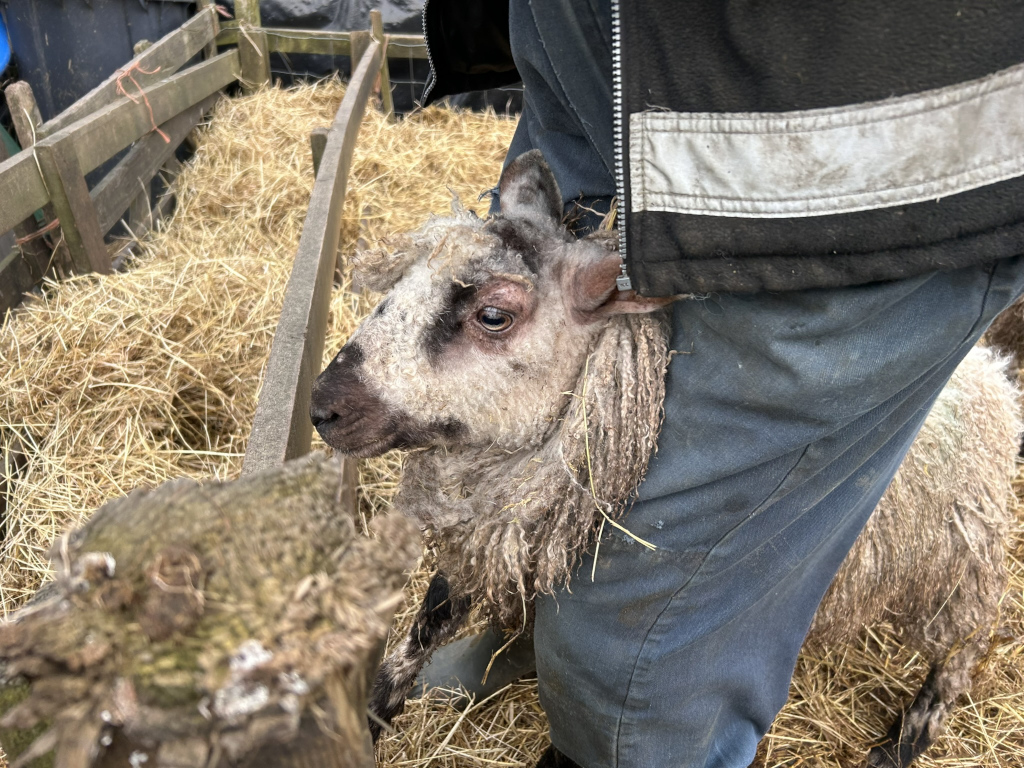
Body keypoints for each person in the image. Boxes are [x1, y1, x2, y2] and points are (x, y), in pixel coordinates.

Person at [416, 2, 1024, 766]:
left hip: (839, 167)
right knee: (547, 476)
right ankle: (529, 641)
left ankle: (619, 729)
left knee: (638, 612)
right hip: (623, 69)